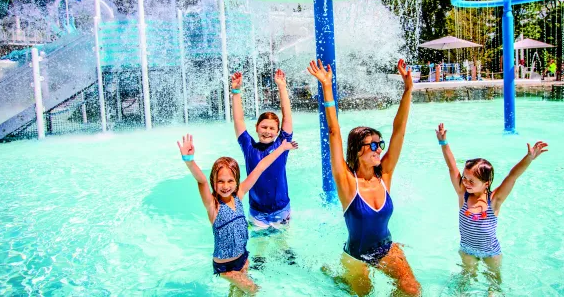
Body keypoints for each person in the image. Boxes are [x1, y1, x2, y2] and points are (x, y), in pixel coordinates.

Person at [308, 58, 421, 296]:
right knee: (364, 293)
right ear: (357, 151)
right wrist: (327, 87)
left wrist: (408, 89)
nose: (379, 149)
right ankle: (339, 276)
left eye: (379, 144)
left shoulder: (385, 175)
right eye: (372, 146)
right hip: (357, 256)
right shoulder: (347, 183)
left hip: (386, 249)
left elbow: (399, 130)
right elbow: (334, 132)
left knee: (412, 290)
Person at [177, 134, 298, 294]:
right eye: (220, 181)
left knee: (238, 292)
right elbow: (201, 181)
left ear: (236, 181)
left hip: (242, 259)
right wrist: (189, 160)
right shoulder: (213, 206)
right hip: (225, 267)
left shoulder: (239, 195)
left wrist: (281, 148)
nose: (225, 186)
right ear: (214, 182)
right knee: (253, 289)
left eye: (230, 181)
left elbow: (261, 167)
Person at [435, 123, 548, 289]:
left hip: (491, 252)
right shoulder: (463, 195)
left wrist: (528, 158)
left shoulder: (494, 200)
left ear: (486, 183)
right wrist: (443, 143)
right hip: (467, 250)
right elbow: (452, 168)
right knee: (465, 280)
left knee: (494, 284)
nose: (465, 182)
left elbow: (512, 176)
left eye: (471, 181)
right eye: (465, 178)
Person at [231, 69, 294, 231]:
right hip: (257, 212)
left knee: (285, 249)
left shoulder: (282, 145)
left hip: (281, 209)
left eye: (272, 128)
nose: (267, 131)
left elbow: (287, 117)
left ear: (278, 130)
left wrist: (282, 87)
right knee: (259, 252)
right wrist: (236, 92)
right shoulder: (249, 147)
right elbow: (238, 120)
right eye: (264, 127)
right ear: (257, 128)